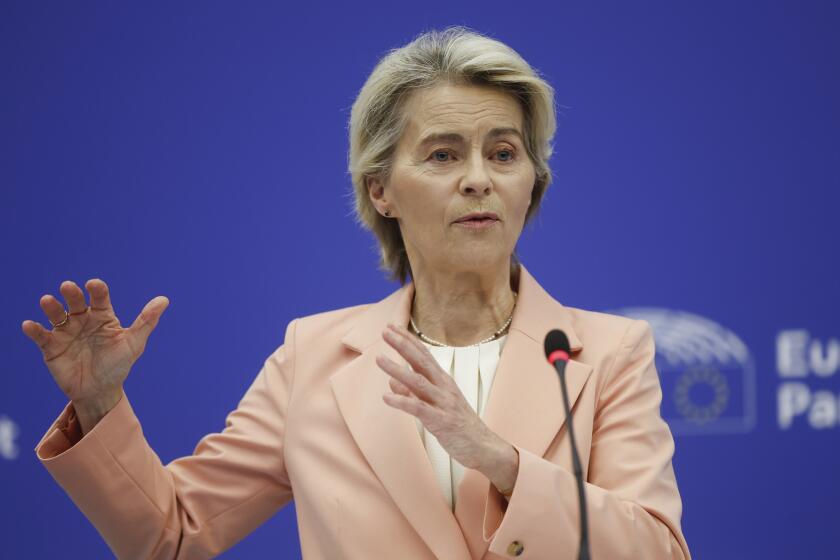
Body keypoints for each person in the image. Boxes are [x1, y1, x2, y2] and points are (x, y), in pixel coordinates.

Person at [24, 26, 691, 559]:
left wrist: (500, 461)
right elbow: (170, 536)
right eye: (442, 154)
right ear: (380, 189)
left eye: (504, 152)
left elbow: (660, 550)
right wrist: (101, 401)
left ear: (532, 182)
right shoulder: (313, 356)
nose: (479, 179)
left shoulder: (607, 353)